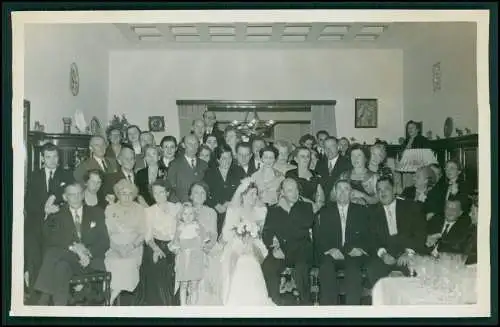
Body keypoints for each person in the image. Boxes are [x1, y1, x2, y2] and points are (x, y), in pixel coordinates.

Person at [34, 182, 109, 305]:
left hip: (90, 262)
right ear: (65, 197)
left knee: (54, 255)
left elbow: (105, 241)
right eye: (71, 194)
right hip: (69, 260)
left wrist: (87, 253)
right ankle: (60, 311)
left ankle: (44, 297)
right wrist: (74, 248)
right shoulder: (57, 215)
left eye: (79, 193)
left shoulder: (97, 212)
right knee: (60, 267)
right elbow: (51, 239)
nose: (76, 197)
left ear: (83, 195)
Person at [24, 143, 74, 297]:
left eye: (55, 157)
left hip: (58, 222)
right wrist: (44, 210)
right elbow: (29, 202)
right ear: (42, 158)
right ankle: (33, 293)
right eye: (48, 157)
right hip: (37, 220)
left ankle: (53, 293)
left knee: (52, 253)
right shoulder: (34, 175)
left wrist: (56, 207)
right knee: (32, 249)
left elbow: (70, 197)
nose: (52, 161)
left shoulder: (66, 175)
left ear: (59, 157)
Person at [217, 178, 275, 306]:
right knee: (241, 262)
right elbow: (226, 234)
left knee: (251, 261)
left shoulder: (260, 211)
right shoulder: (233, 210)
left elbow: (260, 234)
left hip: (254, 244)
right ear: (242, 195)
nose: (255, 197)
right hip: (235, 244)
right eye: (251, 194)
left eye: (256, 194)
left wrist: (251, 240)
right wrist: (240, 236)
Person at [316, 180, 370, 305]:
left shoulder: (361, 211)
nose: (342, 192)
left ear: (351, 193)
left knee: (354, 271)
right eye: (339, 189)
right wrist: (330, 249)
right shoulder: (325, 211)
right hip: (333, 253)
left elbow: (367, 235)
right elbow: (320, 236)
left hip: (353, 253)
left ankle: (352, 313)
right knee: (326, 268)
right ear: (335, 192)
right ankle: (330, 313)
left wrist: (360, 249)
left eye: (346, 189)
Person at [366, 176, 426, 288]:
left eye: (386, 189)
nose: (382, 193)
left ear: (394, 190)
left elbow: (420, 234)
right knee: (372, 269)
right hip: (386, 255)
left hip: (408, 254)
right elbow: (371, 239)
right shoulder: (372, 212)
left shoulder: (411, 207)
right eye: (379, 190)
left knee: (415, 276)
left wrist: (409, 253)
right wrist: (383, 254)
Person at [262, 178, 315, 305]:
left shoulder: (306, 207)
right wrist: (274, 247)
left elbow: (300, 230)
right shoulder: (274, 210)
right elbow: (267, 232)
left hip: (301, 251)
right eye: (290, 190)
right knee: (268, 267)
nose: (295, 193)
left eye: (296, 189)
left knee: (301, 268)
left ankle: (306, 304)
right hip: (280, 251)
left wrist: (288, 210)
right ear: (282, 193)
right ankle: (274, 303)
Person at [104, 179, 147, 305]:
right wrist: (116, 247)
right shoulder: (110, 208)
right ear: (118, 194)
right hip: (113, 247)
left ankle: (110, 299)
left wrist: (130, 246)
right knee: (113, 262)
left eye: (129, 193)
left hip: (134, 247)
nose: (126, 196)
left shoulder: (139, 209)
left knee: (127, 264)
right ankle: (112, 298)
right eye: (123, 193)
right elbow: (108, 232)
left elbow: (143, 233)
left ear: (134, 195)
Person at [141, 179, 181, 306]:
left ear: (167, 192)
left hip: (175, 245)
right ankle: (162, 306)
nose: (158, 195)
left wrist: (176, 245)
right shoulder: (149, 211)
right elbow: (148, 237)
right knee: (159, 266)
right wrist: (156, 249)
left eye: (161, 192)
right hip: (157, 245)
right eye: (155, 193)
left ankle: (175, 305)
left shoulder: (177, 208)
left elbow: (181, 228)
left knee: (177, 267)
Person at [169, 202, 207, 306]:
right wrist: (177, 250)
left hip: (195, 259)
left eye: (191, 214)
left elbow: (204, 242)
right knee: (183, 285)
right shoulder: (179, 229)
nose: (188, 216)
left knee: (194, 285)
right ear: (181, 215)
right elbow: (174, 244)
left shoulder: (198, 227)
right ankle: (183, 307)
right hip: (183, 259)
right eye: (185, 214)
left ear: (195, 215)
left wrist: (200, 245)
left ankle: (193, 308)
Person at [204, 144, 244, 236]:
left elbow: (245, 192)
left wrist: (231, 203)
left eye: (229, 157)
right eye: (223, 158)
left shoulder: (238, 171)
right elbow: (204, 193)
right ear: (218, 159)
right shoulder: (209, 173)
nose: (227, 161)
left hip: (235, 214)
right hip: (215, 214)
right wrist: (215, 204)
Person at [167, 134, 208, 203]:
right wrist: (178, 204)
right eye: (190, 144)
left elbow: (207, 188)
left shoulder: (204, 165)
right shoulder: (174, 164)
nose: (193, 147)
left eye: (195, 143)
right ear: (183, 145)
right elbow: (169, 189)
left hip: (200, 207)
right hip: (182, 207)